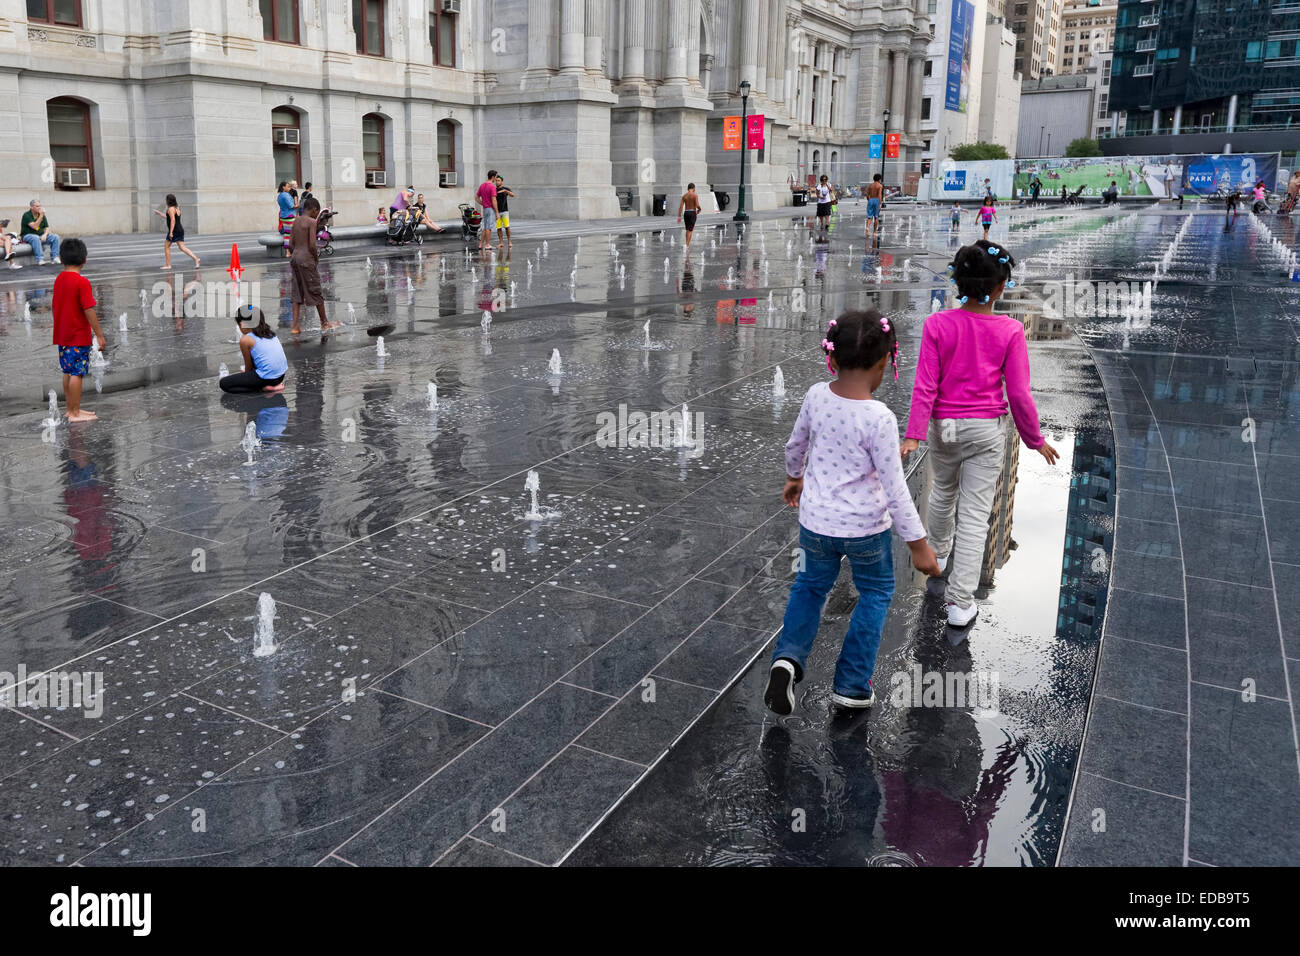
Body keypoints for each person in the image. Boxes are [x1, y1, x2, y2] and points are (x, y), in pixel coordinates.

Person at [764, 309, 941, 715]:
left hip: (815, 524)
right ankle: (852, 685)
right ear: (885, 364)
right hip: (865, 531)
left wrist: (795, 478)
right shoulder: (879, 418)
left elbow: (796, 445)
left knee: (809, 587)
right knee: (875, 593)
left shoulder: (815, 396)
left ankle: (787, 659)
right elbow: (895, 488)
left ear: (831, 359)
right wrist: (918, 544)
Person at [901, 240, 1058, 632]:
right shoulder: (1010, 330)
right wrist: (1034, 439)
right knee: (974, 517)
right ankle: (961, 604)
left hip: (944, 427)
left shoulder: (937, 325)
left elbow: (925, 386)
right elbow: (1019, 393)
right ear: (1001, 286)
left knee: (942, 493)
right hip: (985, 430)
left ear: (957, 281)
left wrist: (914, 435)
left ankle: (935, 555)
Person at [51, 237, 107, 423]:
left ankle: (71, 409)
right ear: (84, 260)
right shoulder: (81, 282)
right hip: (77, 335)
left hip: (63, 334)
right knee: (77, 373)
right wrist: (99, 334)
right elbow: (89, 310)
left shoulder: (59, 279)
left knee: (67, 371)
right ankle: (74, 413)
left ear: (61, 258)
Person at [287, 196, 339, 335]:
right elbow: (311, 244)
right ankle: (325, 323)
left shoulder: (296, 220)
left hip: (295, 258)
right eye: (318, 212)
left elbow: (291, 244)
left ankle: (295, 326)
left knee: (297, 293)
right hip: (306, 259)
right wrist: (315, 259)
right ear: (315, 210)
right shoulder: (311, 222)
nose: (318, 215)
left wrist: (296, 255)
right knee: (315, 290)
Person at [220, 305, 288, 393]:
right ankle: (270, 386)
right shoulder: (270, 333)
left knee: (224, 384)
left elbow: (249, 367)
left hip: (268, 378)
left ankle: (264, 388)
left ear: (241, 324)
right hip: (280, 376)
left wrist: (245, 376)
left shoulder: (246, 340)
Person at [151, 194, 201, 269]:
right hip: (179, 229)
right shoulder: (176, 208)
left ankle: (168, 265)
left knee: (166, 246)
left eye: (166, 199)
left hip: (174, 230)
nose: (165, 201)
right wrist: (159, 213)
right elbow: (169, 218)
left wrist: (171, 232)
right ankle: (196, 259)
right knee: (182, 247)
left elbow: (173, 220)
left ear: (168, 200)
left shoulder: (170, 209)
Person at [21, 199, 61, 265]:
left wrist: (45, 234)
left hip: (40, 235)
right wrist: (41, 216)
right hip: (27, 236)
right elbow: (34, 226)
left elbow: (47, 227)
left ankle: (55, 257)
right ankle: (40, 259)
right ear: (31, 207)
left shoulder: (41, 215)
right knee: (36, 238)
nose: (39, 208)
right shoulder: (26, 215)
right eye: (37, 206)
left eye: (40, 206)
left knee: (55, 237)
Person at [476, 170, 499, 252]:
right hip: (490, 209)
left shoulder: (482, 185)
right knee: (488, 228)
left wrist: (483, 204)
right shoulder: (492, 187)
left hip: (485, 209)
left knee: (485, 227)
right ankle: (488, 245)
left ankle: (480, 244)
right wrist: (496, 212)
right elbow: (494, 200)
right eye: (496, 177)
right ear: (493, 177)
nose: (496, 179)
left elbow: (476, 198)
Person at [677, 182, 702, 252]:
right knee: (690, 230)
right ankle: (687, 245)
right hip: (692, 213)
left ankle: (686, 244)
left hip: (686, 213)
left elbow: (681, 207)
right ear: (693, 188)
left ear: (688, 188)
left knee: (687, 229)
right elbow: (697, 205)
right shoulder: (695, 195)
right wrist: (700, 209)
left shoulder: (684, 196)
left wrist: (679, 217)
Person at [493, 175, 514, 249]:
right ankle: (501, 242)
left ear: (501, 181)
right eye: (496, 180)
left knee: (507, 227)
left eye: (498, 180)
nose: (497, 182)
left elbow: (513, 195)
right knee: (498, 228)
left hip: (505, 211)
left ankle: (509, 241)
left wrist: (505, 191)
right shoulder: (494, 189)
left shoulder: (505, 189)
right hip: (497, 212)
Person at [865, 173, 884, 243]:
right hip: (876, 200)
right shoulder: (879, 186)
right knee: (876, 217)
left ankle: (867, 228)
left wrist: (869, 200)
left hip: (871, 200)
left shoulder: (871, 185)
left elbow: (867, 194)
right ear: (879, 179)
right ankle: (874, 232)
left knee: (869, 217)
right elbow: (879, 194)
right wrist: (880, 203)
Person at [276, 181, 296, 246]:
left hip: (284, 216)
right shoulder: (286, 195)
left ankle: (288, 251)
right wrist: (298, 205)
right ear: (283, 187)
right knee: (292, 234)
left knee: (287, 235)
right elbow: (291, 206)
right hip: (290, 216)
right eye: (288, 187)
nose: (289, 188)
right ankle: (290, 250)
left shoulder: (279, 195)